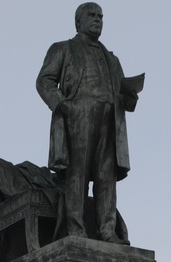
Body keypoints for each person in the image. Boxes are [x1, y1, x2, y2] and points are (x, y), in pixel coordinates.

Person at [36, 3, 140, 244]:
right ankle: (75, 227)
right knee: (78, 173)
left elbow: (124, 96)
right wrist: (63, 106)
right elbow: (44, 81)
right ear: (78, 22)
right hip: (78, 116)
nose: (97, 20)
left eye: (100, 17)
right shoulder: (63, 48)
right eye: (92, 16)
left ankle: (107, 230)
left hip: (110, 120)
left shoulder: (112, 59)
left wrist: (130, 96)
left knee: (106, 177)